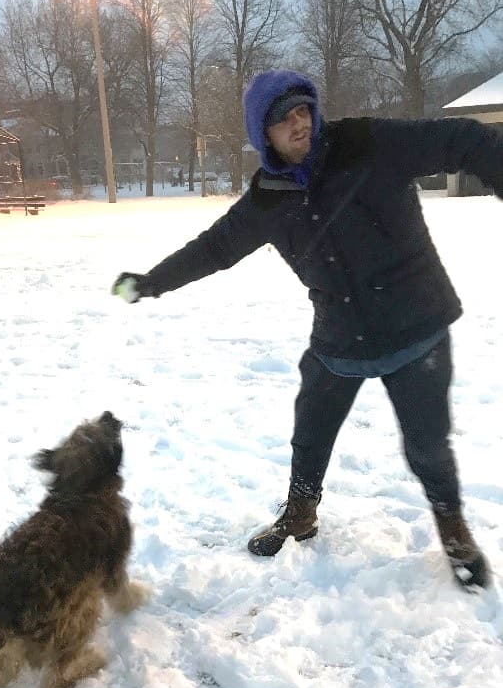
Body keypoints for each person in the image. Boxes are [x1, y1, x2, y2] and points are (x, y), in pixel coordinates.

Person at [112, 69, 503, 589]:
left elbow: (466, 140)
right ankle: (300, 513)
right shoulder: (267, 199)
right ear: (263, 134)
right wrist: (149, 283)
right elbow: (214, 249)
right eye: (282, 118)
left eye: (303, 111)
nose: (299, 123)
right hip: (339, 336)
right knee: (311, 429)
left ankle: (454, 532)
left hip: (415, 328)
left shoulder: (368, 143)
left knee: (427, 445)